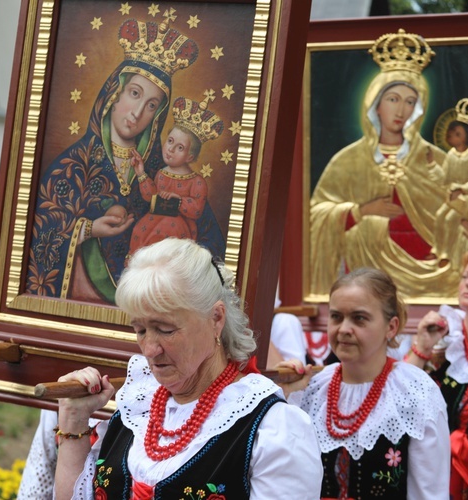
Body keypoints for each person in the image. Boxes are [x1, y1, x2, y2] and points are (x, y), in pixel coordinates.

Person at [52, 237, 322, 499]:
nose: (149, 349)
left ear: (216, 319)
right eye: (141, 330)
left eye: (166, 329)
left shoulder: (272, 429)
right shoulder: (136, 407)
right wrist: (74, 420)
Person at [26, 18, 225, 304]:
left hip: (156, 305)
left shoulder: (164, 170)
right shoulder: (71, 166)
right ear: (113, 94)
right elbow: (40, 235)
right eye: (134, 94)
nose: (138, 112)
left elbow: (211, 246)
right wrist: (88, 229)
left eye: (152, 105)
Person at [278, 267, 450, 498]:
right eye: (336, 317)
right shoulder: (312, 390)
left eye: (359, 318)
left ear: (391, 327)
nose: (344, 329)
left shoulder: (416, 393)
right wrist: (286, 397)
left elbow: (429, 493)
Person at [309, 29, 455, 299]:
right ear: (375, 104)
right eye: (393, 99)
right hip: (365, 281)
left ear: (419, 109)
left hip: (431, 277)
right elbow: (316, 215)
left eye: (410, 102)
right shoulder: (347, 160)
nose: (401, 111)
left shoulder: (436, 160)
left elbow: (461, 216)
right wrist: (360, 211)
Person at [407, 241, 468, 497]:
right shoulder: (444, 339)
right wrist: (421, 347)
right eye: (466, 276)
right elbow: (394, 398)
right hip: (438, 481)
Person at [127, 96, 223, 258]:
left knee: (167, 236)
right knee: (139, 231)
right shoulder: (162, 173)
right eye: (170, 141)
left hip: (179, 227)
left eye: (180, 147)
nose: (170, 149)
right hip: (152, 221)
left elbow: (197, 209)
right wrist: (141, 173)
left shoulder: (196, 181)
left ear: (190, 157)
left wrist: (177, 200)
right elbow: (151, 197)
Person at [429, 97, 468, 268]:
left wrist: (463, 189)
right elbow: (445, 178)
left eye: (457, 134)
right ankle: (437, 251)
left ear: (467, 137)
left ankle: (447, 256)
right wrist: (431, 165)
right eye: (451, 133)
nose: (452, 137)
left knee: (450, 220)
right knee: (440, 216)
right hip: (455, 199)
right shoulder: (451, 155)